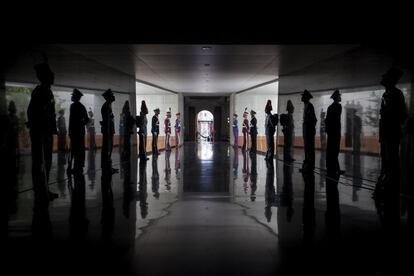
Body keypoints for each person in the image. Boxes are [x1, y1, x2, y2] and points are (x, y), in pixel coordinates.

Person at [27, 61, 58, 202]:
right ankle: (40, 192)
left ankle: (44, 190)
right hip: (41, 133)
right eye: (51, 74)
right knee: (40, 162)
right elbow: (33, 112)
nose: (53, 76)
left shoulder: (47, 90)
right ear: (45, 77)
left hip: (46, 132)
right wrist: (39, 128)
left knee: (46, 162)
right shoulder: (40, 91)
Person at [375, 67, 407, 198]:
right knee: (385, 158)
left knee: (392, 158)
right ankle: (387, 181)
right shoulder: (385, 94)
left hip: (392, 132)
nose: (382, 79)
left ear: (390, 80)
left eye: (385, 77)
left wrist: (390, 117)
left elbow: (401, 115)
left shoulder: (397, 94)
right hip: (385, 132)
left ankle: (393, 183)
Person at [69, 88, 89, 173]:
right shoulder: (82, 107)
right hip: (80, 131)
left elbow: (71, 121)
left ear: (75, 97)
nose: (72, 97)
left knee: (73, 149)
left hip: (74, 131)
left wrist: (71, 131)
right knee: (80, 149)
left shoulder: (73, 106)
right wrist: (81, 124)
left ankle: (72, 167)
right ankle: (79, 166)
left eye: (73, 95)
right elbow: (87, 119)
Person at [325, 89, 344, 175]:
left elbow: (327, 120)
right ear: (337, 97)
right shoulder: (339, 106)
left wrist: (328, 130)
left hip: (331, 132)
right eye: (339, 96)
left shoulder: (329, 107)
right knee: (335, 150)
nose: (340, 97)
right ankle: (336, 168)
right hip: (336, 132)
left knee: (331, 150)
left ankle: (330, 167)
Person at [300, 89, 317, 173]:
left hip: (309, 130)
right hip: (306, 130)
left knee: (309, 148)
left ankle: (310, 166)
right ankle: (307, 165)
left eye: (303, 96)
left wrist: (310, 129)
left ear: (306, 98)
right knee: (307, 148)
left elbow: (313, 119)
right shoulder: (306, 106)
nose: (302, 97)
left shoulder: (309, 106)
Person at [100, 88, 117, 173]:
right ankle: (107, 168)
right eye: (112, 95)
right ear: (109, 97)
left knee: (109, 148)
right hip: (108, 131)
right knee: (107, 149)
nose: (114, 96)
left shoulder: (108, 105)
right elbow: (107, 120)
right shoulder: (106, 106)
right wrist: (108, 131)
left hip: (110, 130)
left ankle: (108, 166)